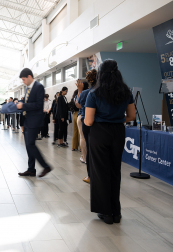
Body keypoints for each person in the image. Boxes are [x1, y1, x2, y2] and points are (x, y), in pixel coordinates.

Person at [84, 59, 136, 225]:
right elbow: (132, 116)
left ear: (100, 73)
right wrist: (118, 119)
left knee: (100, 172)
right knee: (115, 170)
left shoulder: (94, 93)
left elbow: (89, 121)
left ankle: (106, 213)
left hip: (99, 133)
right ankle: (116, 212)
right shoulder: (126, 91)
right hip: (118, 132)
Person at [16, 68, 52, 178]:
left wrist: (23, 106)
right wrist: (20, 102)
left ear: (29, 77)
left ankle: (46, 166)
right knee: (28, 145)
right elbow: (28, 102)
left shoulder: (39, 87)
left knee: (31, 144)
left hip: (35, 120)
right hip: (28, 120)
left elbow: (38, 105)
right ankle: (31, 169)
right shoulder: (28, 88)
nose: (23, 81)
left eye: (23, 79)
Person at [76, 70, 97, 184]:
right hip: (98, 123)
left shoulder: (85, 93)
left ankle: (90, 175)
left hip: (85, 120)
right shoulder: (101, 92)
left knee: (86, 143)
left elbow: (78, 104)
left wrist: (80, 90)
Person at [76, 80, 89, 164]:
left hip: (82, 116)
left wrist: (79, 90)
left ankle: (85, 157)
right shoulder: (92, 91)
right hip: (92, 117)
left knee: (82, 137)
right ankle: (87, 157)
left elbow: (78, 104)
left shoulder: (82, 93)